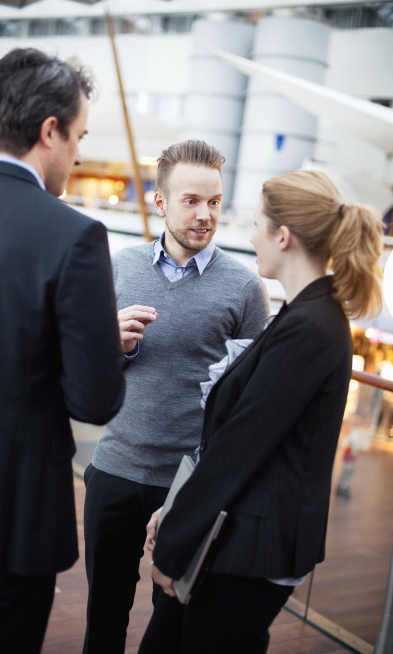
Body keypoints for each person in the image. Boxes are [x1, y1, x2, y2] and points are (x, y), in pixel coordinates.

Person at [139, 169, 384, 654]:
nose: (250, 237)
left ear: (283, 236)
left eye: (255, 224)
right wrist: (175, 512)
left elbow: (239, 446)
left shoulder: (310, 326)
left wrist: (174, 542)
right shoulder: (306, 314)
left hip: (250, 550)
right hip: (238, 537)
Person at [82, 139, 270, 654]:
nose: (205, 215)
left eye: (214, 201)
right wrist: (110, 346)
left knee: (174, 629)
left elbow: (246, 399)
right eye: (191, 201)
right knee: (103, 621)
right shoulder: (118, 267)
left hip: (190, 485)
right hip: (115, 472)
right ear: (161, 202)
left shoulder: (245, 289)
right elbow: (85, 374)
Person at [0, 48, 125, 654]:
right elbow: (94, 400)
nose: (79, 154)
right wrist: (94, 342)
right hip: (10, 525)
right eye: (79, 137)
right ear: (49, 132)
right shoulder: (72, 235)